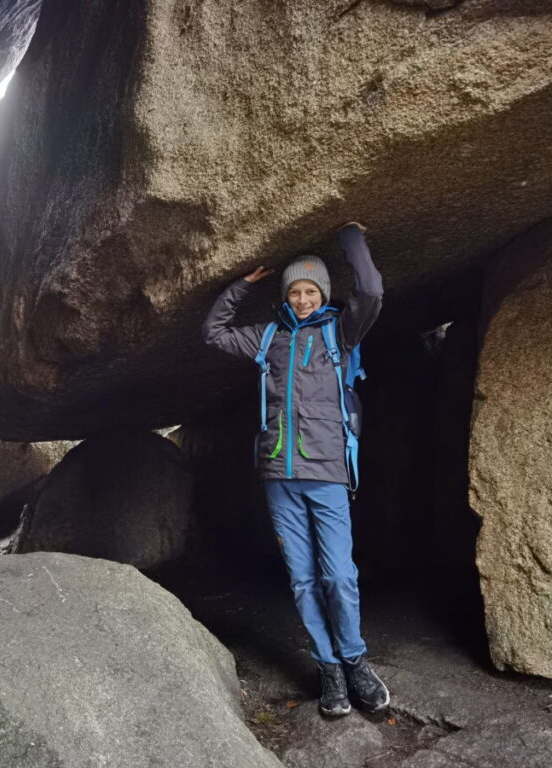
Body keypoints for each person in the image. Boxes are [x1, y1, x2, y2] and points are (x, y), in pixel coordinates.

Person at [202, 221, 389, 717]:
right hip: (278, 479)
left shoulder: (340, 333)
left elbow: (371, 291)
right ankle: (328, 668)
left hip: (327, 474)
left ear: (322, 294)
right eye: (295, 291)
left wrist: (352, 240)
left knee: (339, 576)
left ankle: (355, 661)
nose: (303, 299)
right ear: (285, 295)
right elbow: (214, 333)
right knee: (303, 580)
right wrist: (242, 287)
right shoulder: (268, 338)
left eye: (310, 291)